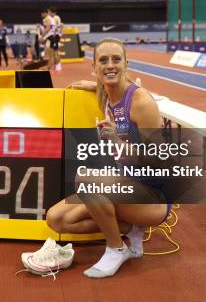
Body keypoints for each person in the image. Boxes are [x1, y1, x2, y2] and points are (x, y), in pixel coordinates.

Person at [45, 38, 171, 278]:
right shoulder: (107, 95)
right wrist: (89, 84)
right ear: (94, 67)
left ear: (127, 64)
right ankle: (128, 230)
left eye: (116, 59)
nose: (110, 65)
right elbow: (106, 85)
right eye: (103, 61)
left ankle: (116, 247)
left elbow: (159, 162)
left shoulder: (141, 102)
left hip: (152, 198)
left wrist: (118, 143)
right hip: (123, 186)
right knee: (56, 219)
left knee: (85, 178)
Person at [48, 6, 63, 71]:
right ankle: (56, 65)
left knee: (55, 51)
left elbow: (59, 26)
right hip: (54, 36)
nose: (48, 13)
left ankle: (58, 66)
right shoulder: (52, 18)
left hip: (56, 36)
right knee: (53, 51)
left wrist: (56, 34)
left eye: (48, 12)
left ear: (52, 12)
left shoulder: (56, 18)